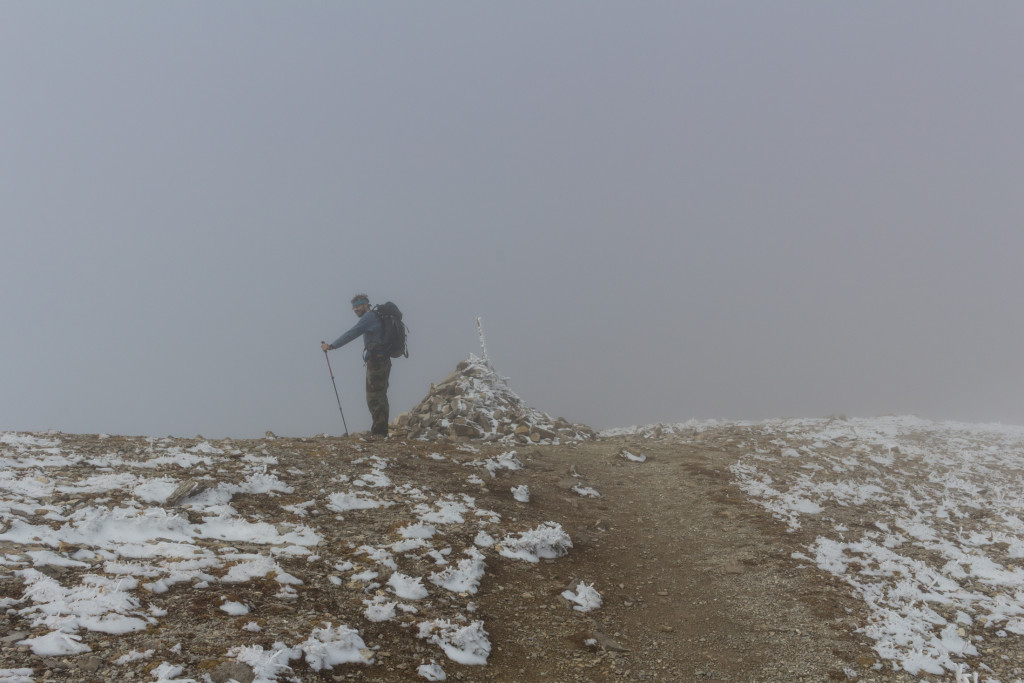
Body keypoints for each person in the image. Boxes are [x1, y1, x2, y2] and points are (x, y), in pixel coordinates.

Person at [321, 294, 391, 437]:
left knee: (373, 396)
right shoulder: (376, 316)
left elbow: (352, 333)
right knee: (380, 394)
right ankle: (381, 430)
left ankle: (379, 433)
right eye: (354, 307)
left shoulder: (369, 317)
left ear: (366, 304)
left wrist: (332, 346)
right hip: (383, 358)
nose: (355, 309)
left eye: (358, 305)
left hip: (376, 359)